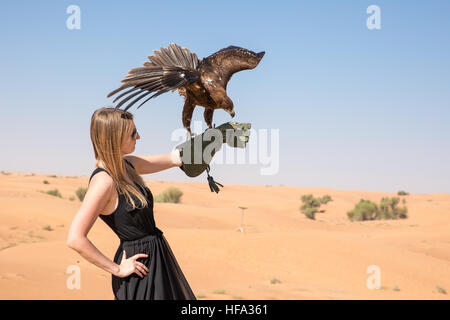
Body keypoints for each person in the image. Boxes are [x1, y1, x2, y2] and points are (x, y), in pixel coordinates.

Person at [66, 107, 196, 300]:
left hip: (158, 259)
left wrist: (213, 139)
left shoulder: (129, 164)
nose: (139, 137)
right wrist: (117, 269)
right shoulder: (104, 182)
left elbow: (174, 158)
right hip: (137, 271)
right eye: (133, 133)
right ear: (115, 138)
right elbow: (75, 238)